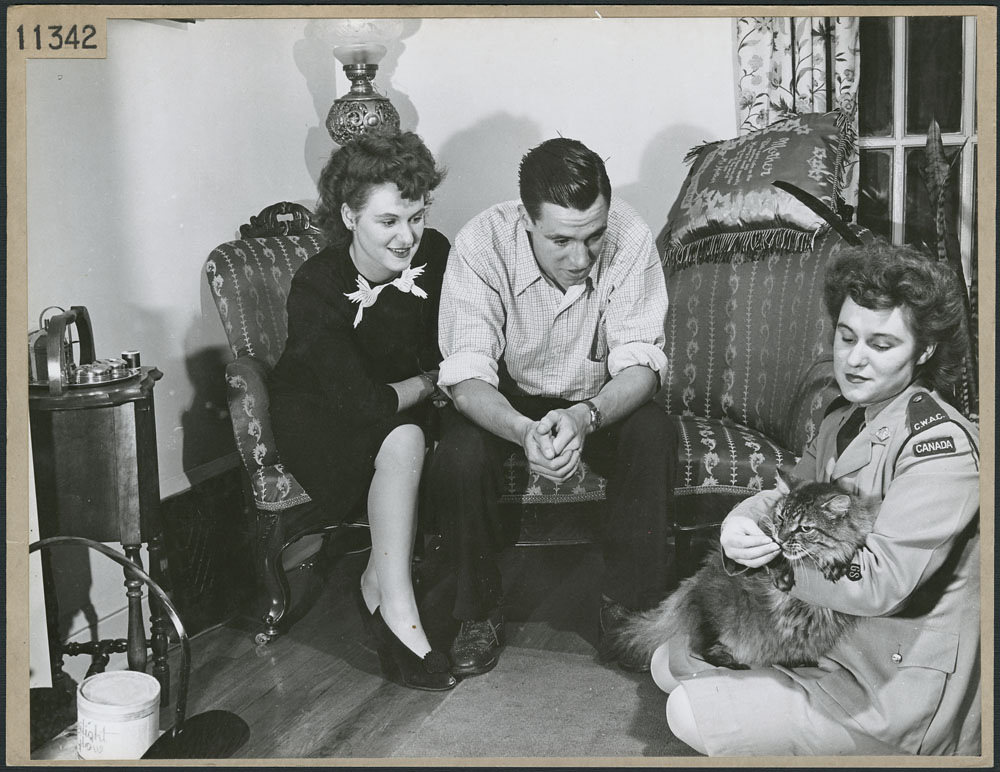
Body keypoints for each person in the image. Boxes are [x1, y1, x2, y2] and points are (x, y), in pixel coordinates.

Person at [651, 240, 980, 756]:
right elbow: (788, 493)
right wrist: (742, 520)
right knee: (667, 662)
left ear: (925, 350)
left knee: (686, 710)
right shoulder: (843, 417)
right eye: (846, 337)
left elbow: (878, 583)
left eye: (882, 344)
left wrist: (773, 561)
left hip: (891, 681)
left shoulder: (940, 448)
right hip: (826, 643)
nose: (854, 359)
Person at [426, 137, 677, 676]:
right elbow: (467, 379)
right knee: (458, 454)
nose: (581, 258)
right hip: (506, 396)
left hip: (599, 396)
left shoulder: (630, 234)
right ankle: (479, 610)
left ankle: (629, 605)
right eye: (560, 240)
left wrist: (587, 415)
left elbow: (641, 366)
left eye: (593, 237)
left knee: (653, 432)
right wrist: (521, 431)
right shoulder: (480, 243)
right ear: (526, 221)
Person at [269, 131, 457, 691]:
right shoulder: (318, 285)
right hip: (321, 423)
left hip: (406, 412)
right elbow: (364, 405)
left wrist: (434, 382)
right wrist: (431, 379)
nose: (408, 237)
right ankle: (397, 610)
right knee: (401, 435)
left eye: (417, 217)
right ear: (349, 215)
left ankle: (379, 582)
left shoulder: (437, 254)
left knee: (413, 436)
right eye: (388, 222)